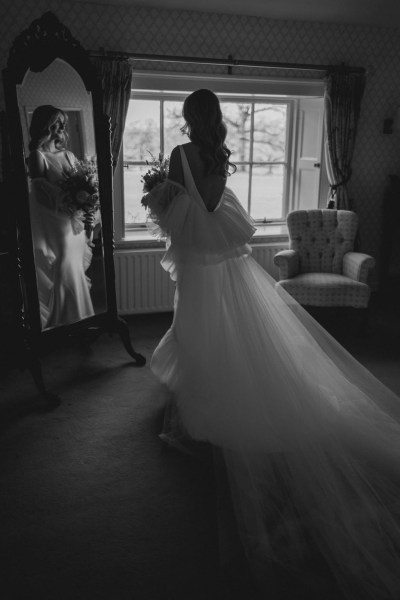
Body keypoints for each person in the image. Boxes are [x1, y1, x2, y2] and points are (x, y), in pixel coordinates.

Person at [144, 89, 400, 599]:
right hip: (221, 247)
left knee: (194, 316)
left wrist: (158, 195)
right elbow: (215, 200)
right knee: (221, 316)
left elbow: (181, 202)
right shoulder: (216, 151)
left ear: (189, 119)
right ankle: (224, 367)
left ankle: (204, 383)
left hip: (197, 253)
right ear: (213, 119)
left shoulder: (180, 152)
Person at [27, 105, 95, 329]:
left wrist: (83, 205)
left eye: (62, 123)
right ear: (45, 125)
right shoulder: (38, 156)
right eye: (55, 123)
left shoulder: (69, 155)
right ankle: (62, 322)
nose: (60, 128)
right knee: (64, 266)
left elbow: (83, 184)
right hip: (56, 223)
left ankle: (81, 320)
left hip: (73, 223)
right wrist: (68, 200)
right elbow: (38, 195)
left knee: (73, 267)